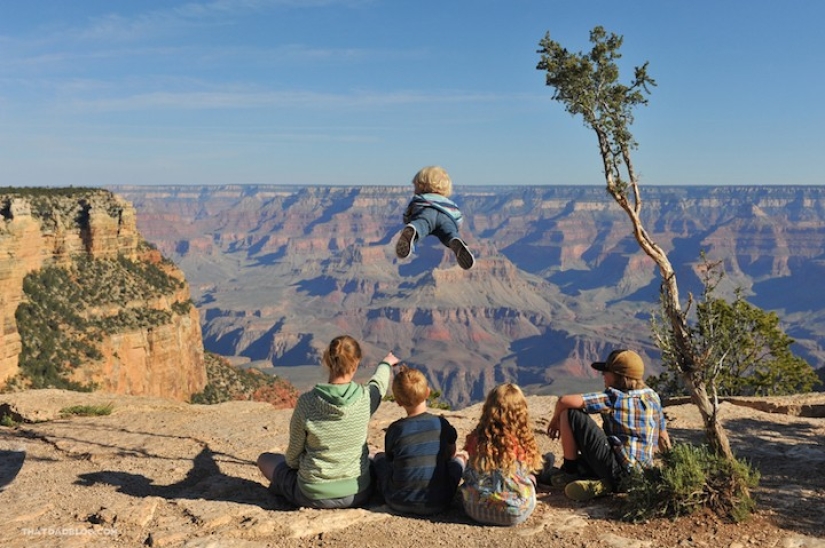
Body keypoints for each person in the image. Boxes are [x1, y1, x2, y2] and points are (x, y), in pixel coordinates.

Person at [257, 335, 398, 509]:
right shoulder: (366, 398)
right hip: (359, 493)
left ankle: (285, 490)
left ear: (327, 360)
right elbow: (379, 385)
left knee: (265, 459)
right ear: (356, 363)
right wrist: (386, 364)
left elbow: (292, 458)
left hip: (312, 494)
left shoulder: (307, 402)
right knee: (375, 457)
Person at [543, 349, 671, 502]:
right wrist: (672, 469)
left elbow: (564, 401)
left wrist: (555, 421)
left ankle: (570, 473)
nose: (603, 375)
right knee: (591, 457)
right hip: (640, 476)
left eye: (606, 372)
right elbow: (663, 437)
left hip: (616, 468)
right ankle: (605, 485)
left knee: (570, 412)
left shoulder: (615, 397)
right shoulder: (653, 397)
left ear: (618, 377)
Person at [372, 366, 464, 515]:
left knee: (378, 457)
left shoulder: (395, 429)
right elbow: (451, 453)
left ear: (398, 401)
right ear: (428, 392)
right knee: (458, 461)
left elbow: (390, 460)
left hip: (397, 501)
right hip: (440, 502)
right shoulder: (441, 424)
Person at [460, 383, 543, 526]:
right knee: (533, 474)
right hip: (515, 512)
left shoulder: (476, 439)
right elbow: (532, 466)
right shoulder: (522, 441)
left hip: (475, 509)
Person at [395, 165, 475, 270]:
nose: (415, 190)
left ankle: (412, 232)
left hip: (426, 213)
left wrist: (408, 221)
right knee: (448, 233)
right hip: (446, 217)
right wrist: (457, 228)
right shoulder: (450, 204)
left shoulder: (420, 198)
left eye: (416, 186)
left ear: (421, 186)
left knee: (421, 225)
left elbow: (409, 212)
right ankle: (455, 239)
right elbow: (458, 217)